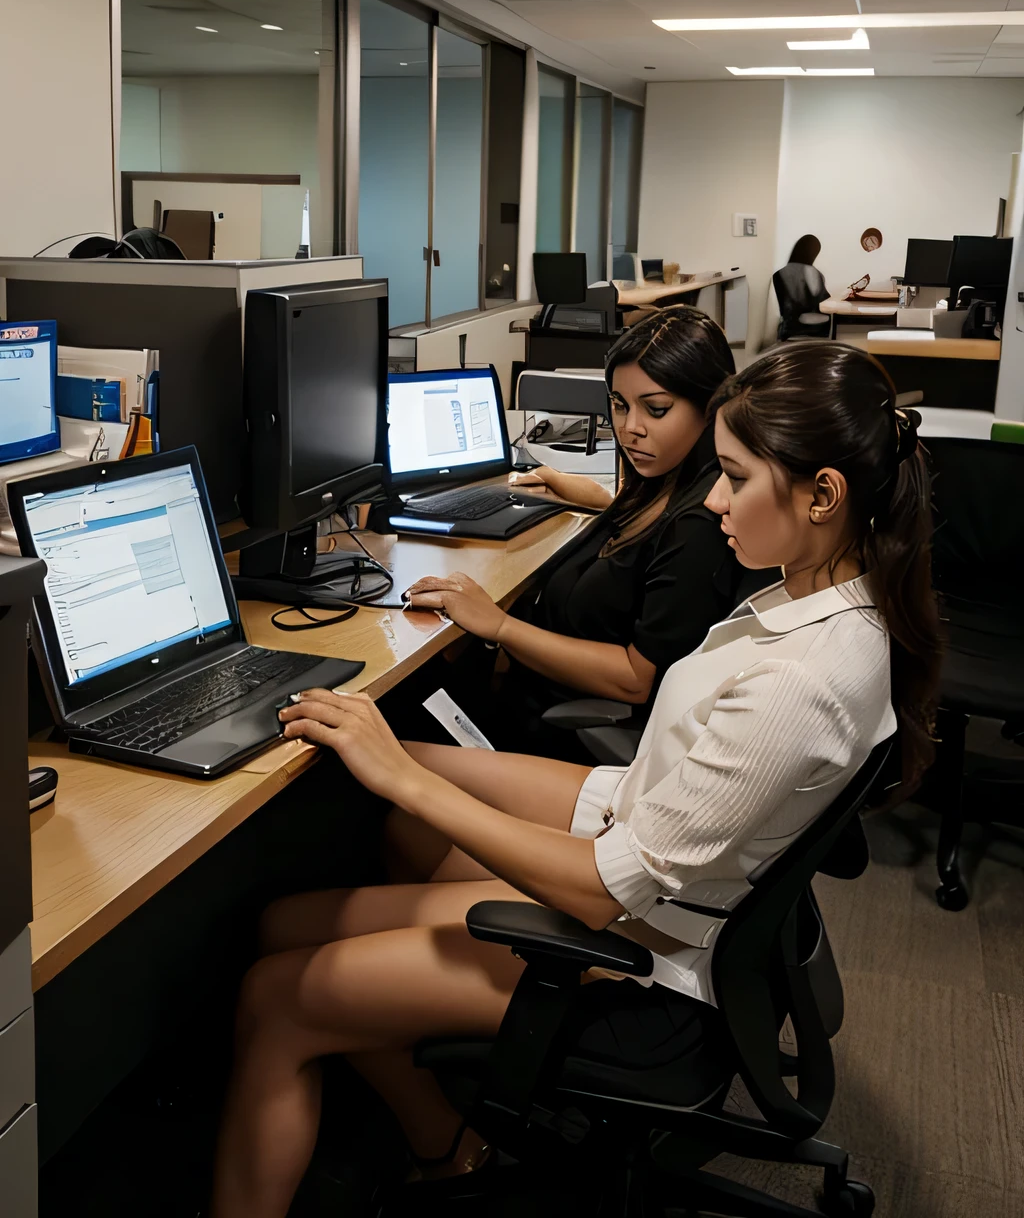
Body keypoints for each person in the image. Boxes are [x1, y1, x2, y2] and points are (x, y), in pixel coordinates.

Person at [208, 343, 940, 1218]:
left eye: (736, 478)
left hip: (644, 967)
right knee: (285, 922)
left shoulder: (806, 679)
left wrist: (407, 778)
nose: (713, 498)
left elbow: (607, 888)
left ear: (824, 494)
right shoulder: (822, 594)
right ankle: (446, 1144)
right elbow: (648, 798)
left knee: (275, 995)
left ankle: (420, 1140)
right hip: (663, 897)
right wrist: (430, 763)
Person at [400, 307, 748, 746]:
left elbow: (634, 679)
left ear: (710, 407)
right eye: (619, 405)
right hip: (526, 689)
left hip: (557, 726)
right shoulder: (663, 486)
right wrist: (562, 483)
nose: (630, 428)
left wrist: (498, 625)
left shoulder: (699, 525)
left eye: (656, 409)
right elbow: (630, 516)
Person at [773, 233, 830, 339]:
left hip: (788, 327)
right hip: (813, 327)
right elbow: (821, 301)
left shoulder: (778, 274)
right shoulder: (815, 273)